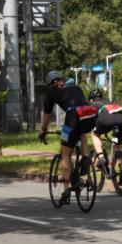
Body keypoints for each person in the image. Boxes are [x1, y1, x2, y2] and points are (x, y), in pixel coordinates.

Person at [38, 70, 97, 203]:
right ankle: (85, 159)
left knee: (66, 154)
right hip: (90, 114)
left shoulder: (51, 91)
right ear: (62, 80)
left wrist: (43, 130)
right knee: (81, 131)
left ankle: (66, 191)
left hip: (73, 116)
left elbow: (47, 114)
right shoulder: (76, 87)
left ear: (50, 83)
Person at [88, 88, 122, 172]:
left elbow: (91, 120)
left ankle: (101, 157)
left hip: (107, 119)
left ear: (91, 99)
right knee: (117, 143)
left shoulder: (92, 104)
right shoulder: (108, 101)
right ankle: (119, 162)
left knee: (94, 134)